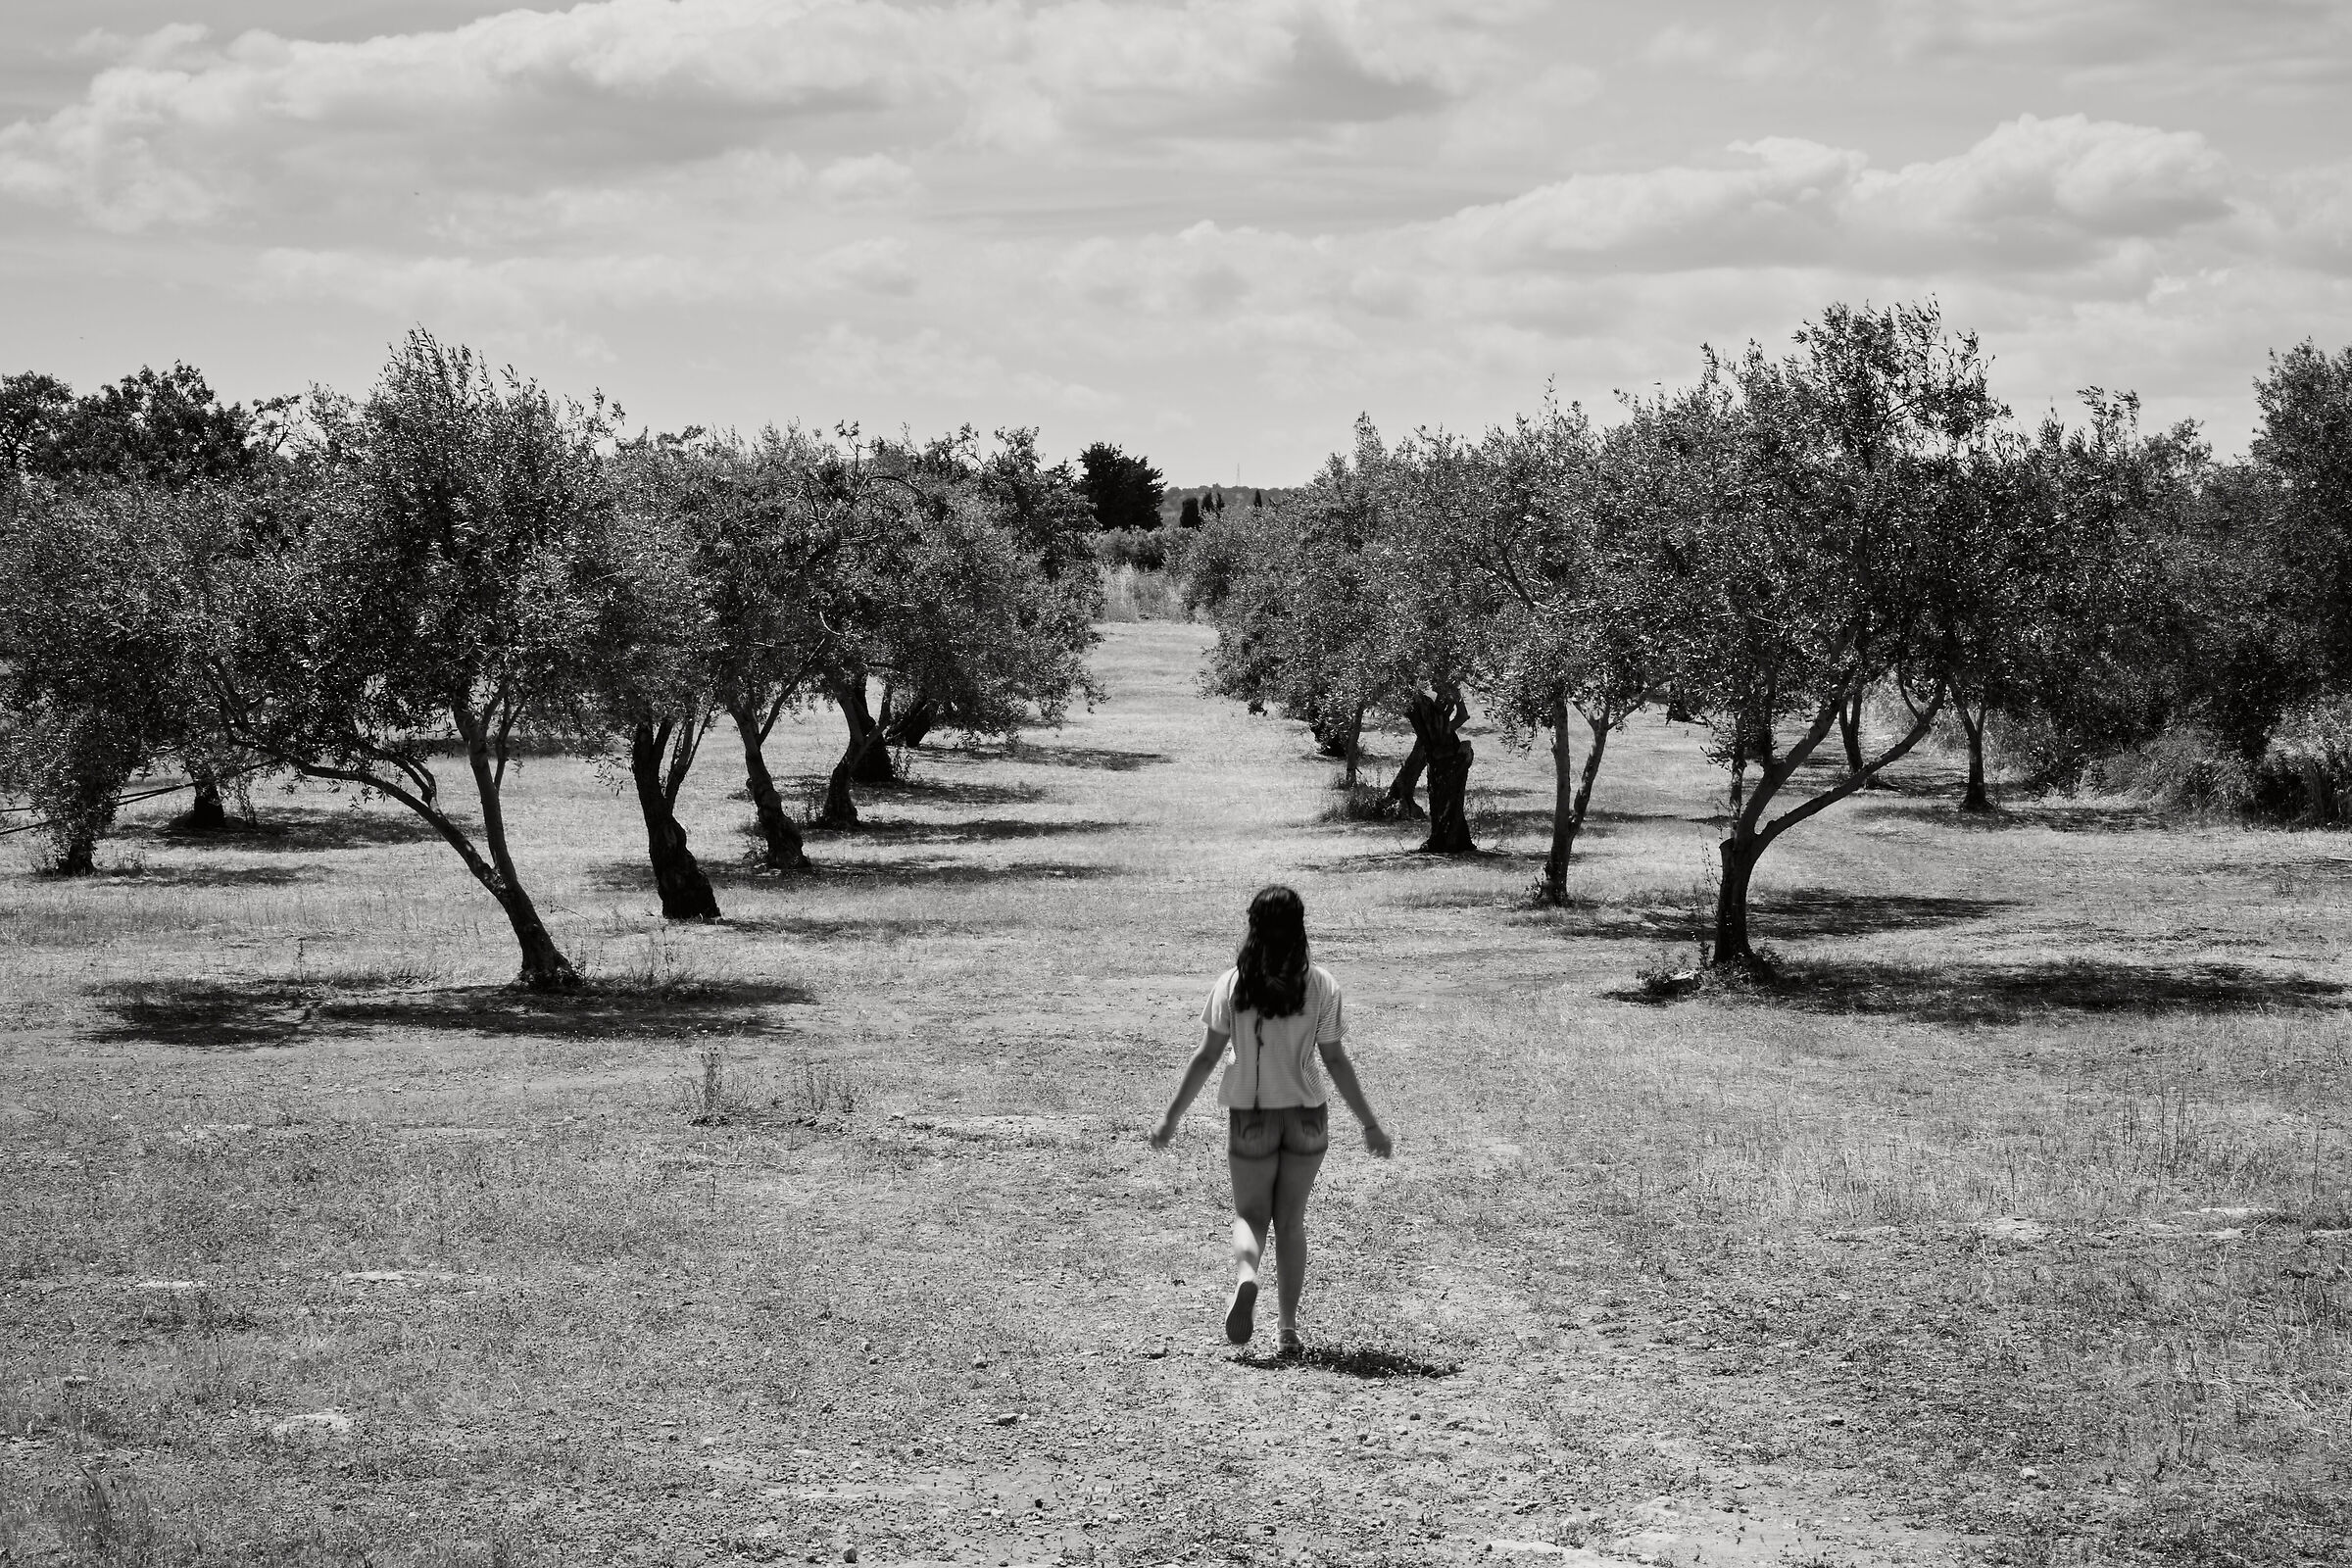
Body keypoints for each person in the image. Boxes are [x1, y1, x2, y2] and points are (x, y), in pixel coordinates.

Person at [1149, 885, 1392, 1354]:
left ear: (1253, 927)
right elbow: (1335, 1059)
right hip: (1307, 1118)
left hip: (1252, 1117)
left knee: (1250, 1214)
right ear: (1299, 927)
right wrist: (1369, 1124)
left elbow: (1206, 1056)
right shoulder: (1321, 985)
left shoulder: (1233, 985)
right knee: (1291, 1221)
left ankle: (1247, 1274)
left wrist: (1171, 1117)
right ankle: (1287, 1329)